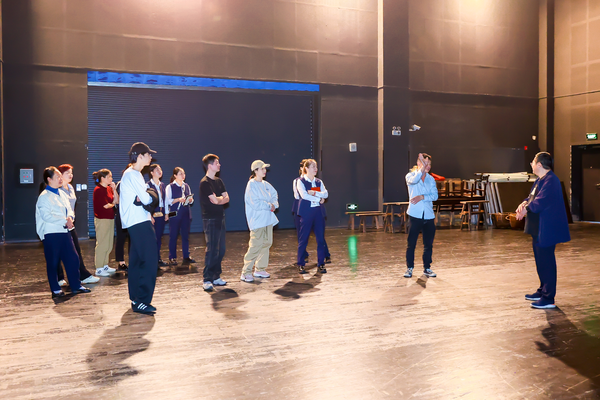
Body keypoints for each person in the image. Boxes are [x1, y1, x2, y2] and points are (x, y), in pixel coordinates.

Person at [516, 152, 570, 309]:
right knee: (540, 261)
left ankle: (548, 298)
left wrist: (526, 209)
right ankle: (542, 290)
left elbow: (541, 201)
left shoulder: (551, 180)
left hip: (547, 228)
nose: (531, 165)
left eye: (533, 162)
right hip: (538, 228)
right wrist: (523, 204)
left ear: (539, 164)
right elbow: (531, 197)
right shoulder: (540, 180)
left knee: (546, 262)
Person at [35, 166, 91, 298]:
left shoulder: (62, 193)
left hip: (65, 231)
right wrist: (64, 220)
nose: (60, 179)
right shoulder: (44, 197)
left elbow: (69, 209)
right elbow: (46, 216)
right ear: (49, 179)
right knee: (53, 261)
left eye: (61, 176)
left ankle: (76, 285)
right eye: (57, 177)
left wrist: (70, 218)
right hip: (51, 233)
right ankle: (55, 289)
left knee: (73, 259)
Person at [120, 142, 159, 314]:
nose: (151, 157)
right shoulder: (132, 175)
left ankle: (136, 298)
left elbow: (143, 199)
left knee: (136, 261)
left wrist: (147, 197)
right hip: (138, 222)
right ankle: (142, 300)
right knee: (150, 260)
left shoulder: (134, 174)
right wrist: (150, 195)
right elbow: (146, 199)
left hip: (137, 221)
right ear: (140, 156)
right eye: (148, 154)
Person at [56, 164, 99, 285]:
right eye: (67, 173)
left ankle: (83, 275)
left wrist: (71, 218)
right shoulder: (58, 189)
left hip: (71, 223)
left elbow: (72, 207)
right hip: (60, 224)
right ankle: (59, 278)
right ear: (60, 175)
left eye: (71, 173)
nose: (70, 175)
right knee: (58, 251)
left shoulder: (70, 187)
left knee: (76, 250)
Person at [240, 160, 279, 282]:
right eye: (262, 168)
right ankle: (246, 271)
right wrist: (269, 205)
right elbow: (255, 203)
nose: (264, 171)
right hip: (257, 221)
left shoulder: (266, 184)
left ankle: (260, 269)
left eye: (265, 168)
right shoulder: (251, 185)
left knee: (267, 243)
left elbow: (274, 195)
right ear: (255, 171)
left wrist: (274, 204)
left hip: (268, 220)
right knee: (255, 245)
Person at [404, 153, 438, 279]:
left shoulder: (431, 179)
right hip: (415, 215)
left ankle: (427, 268)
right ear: (418, 163)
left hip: (428, 215)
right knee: (411, 243)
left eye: (429, 164)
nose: (427, 166)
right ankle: (410, 268)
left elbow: (435, 196)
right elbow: (415, 180)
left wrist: (422, 197)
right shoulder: (411, 176)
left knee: (428, 244)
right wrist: (421, 170)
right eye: (425, 163)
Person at [292, 160, 331, 265]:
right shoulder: (300, 181)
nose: (315, 169)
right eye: (313, 167)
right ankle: (301, 263)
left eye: (316, 167)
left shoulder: (318, 181)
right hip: (306, 212)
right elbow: (303, 195)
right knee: (303, 238)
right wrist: (319, 198)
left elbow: (325, 194)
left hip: (318, 211)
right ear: (306, 168)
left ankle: (321, 263)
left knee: (320, 238)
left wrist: (314, 193)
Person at [199, 154, 229, 291]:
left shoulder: (219, 181)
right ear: (210, 166)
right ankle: (207, 278)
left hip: (220, 217)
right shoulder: (205, 183)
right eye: (217, 162)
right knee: (212, 249)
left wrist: (218, 200)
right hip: (210, 219)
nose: (219, 164)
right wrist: (219, 199)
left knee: (221, 249)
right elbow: (216, 200)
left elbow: (226, 198)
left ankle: (216, 276)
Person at [165, 167, 195, 266]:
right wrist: (178, 199)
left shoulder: (186, 186)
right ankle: (172, 257)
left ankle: (186, 256)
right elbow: (168, 201)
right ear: (175, 175)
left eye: (183, 173)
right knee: (173, 235)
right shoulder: (170, 187)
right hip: (175, 214)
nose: (183, 176)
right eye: (180, 174)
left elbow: (190, 200)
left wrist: (190, 200)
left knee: (185, 236)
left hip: (185, 213)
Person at [92, 169, 117, 277]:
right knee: (102, 243)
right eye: (109, 177)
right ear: (102, 178)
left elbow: (116, 201)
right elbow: (106, 205)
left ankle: (105, 265)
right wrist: (113, 204)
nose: (111, 179)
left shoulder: (109, 188)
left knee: (109, 243)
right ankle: (99, 268)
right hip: (102, 219)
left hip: (110, 218)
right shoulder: (98, 190)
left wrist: (114, 189)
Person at [147, 164, 168, 267]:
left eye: (160, 169)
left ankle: (158, 258)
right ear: (151, 173)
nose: (160, 171)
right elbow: (146, 203)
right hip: (153, 213)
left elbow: (165, 200)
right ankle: (151, 259)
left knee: (159, 237)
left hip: (161, 212)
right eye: (157, 170)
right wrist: (149, 215)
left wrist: (166, 213)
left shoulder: (162, 185)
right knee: (152, 238)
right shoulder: (148, 185)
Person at [113, 165, 132, 271]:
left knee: (132, 239)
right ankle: (121, 262)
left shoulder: (136, 183)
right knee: (121, 238)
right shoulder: (120, 184)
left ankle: (132, 261)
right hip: (122, 214)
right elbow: (117, 200)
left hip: (132, 215)